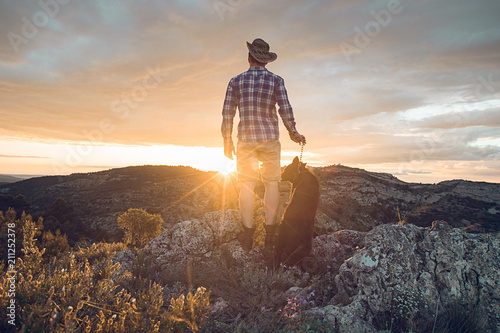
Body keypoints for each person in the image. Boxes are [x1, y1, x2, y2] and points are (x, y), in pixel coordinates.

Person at [221, 38, 306, 253]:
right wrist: (293, 133)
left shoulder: (235, 81)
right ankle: (270, 236)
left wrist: (226, 140)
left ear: (249, 57)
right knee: (272, 184)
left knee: (247, 186)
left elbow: (227, 114)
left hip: (246, 141)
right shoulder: (276, 81)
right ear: (266, 61)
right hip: (269, 140)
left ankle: (247, 236)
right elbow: (285, 109)